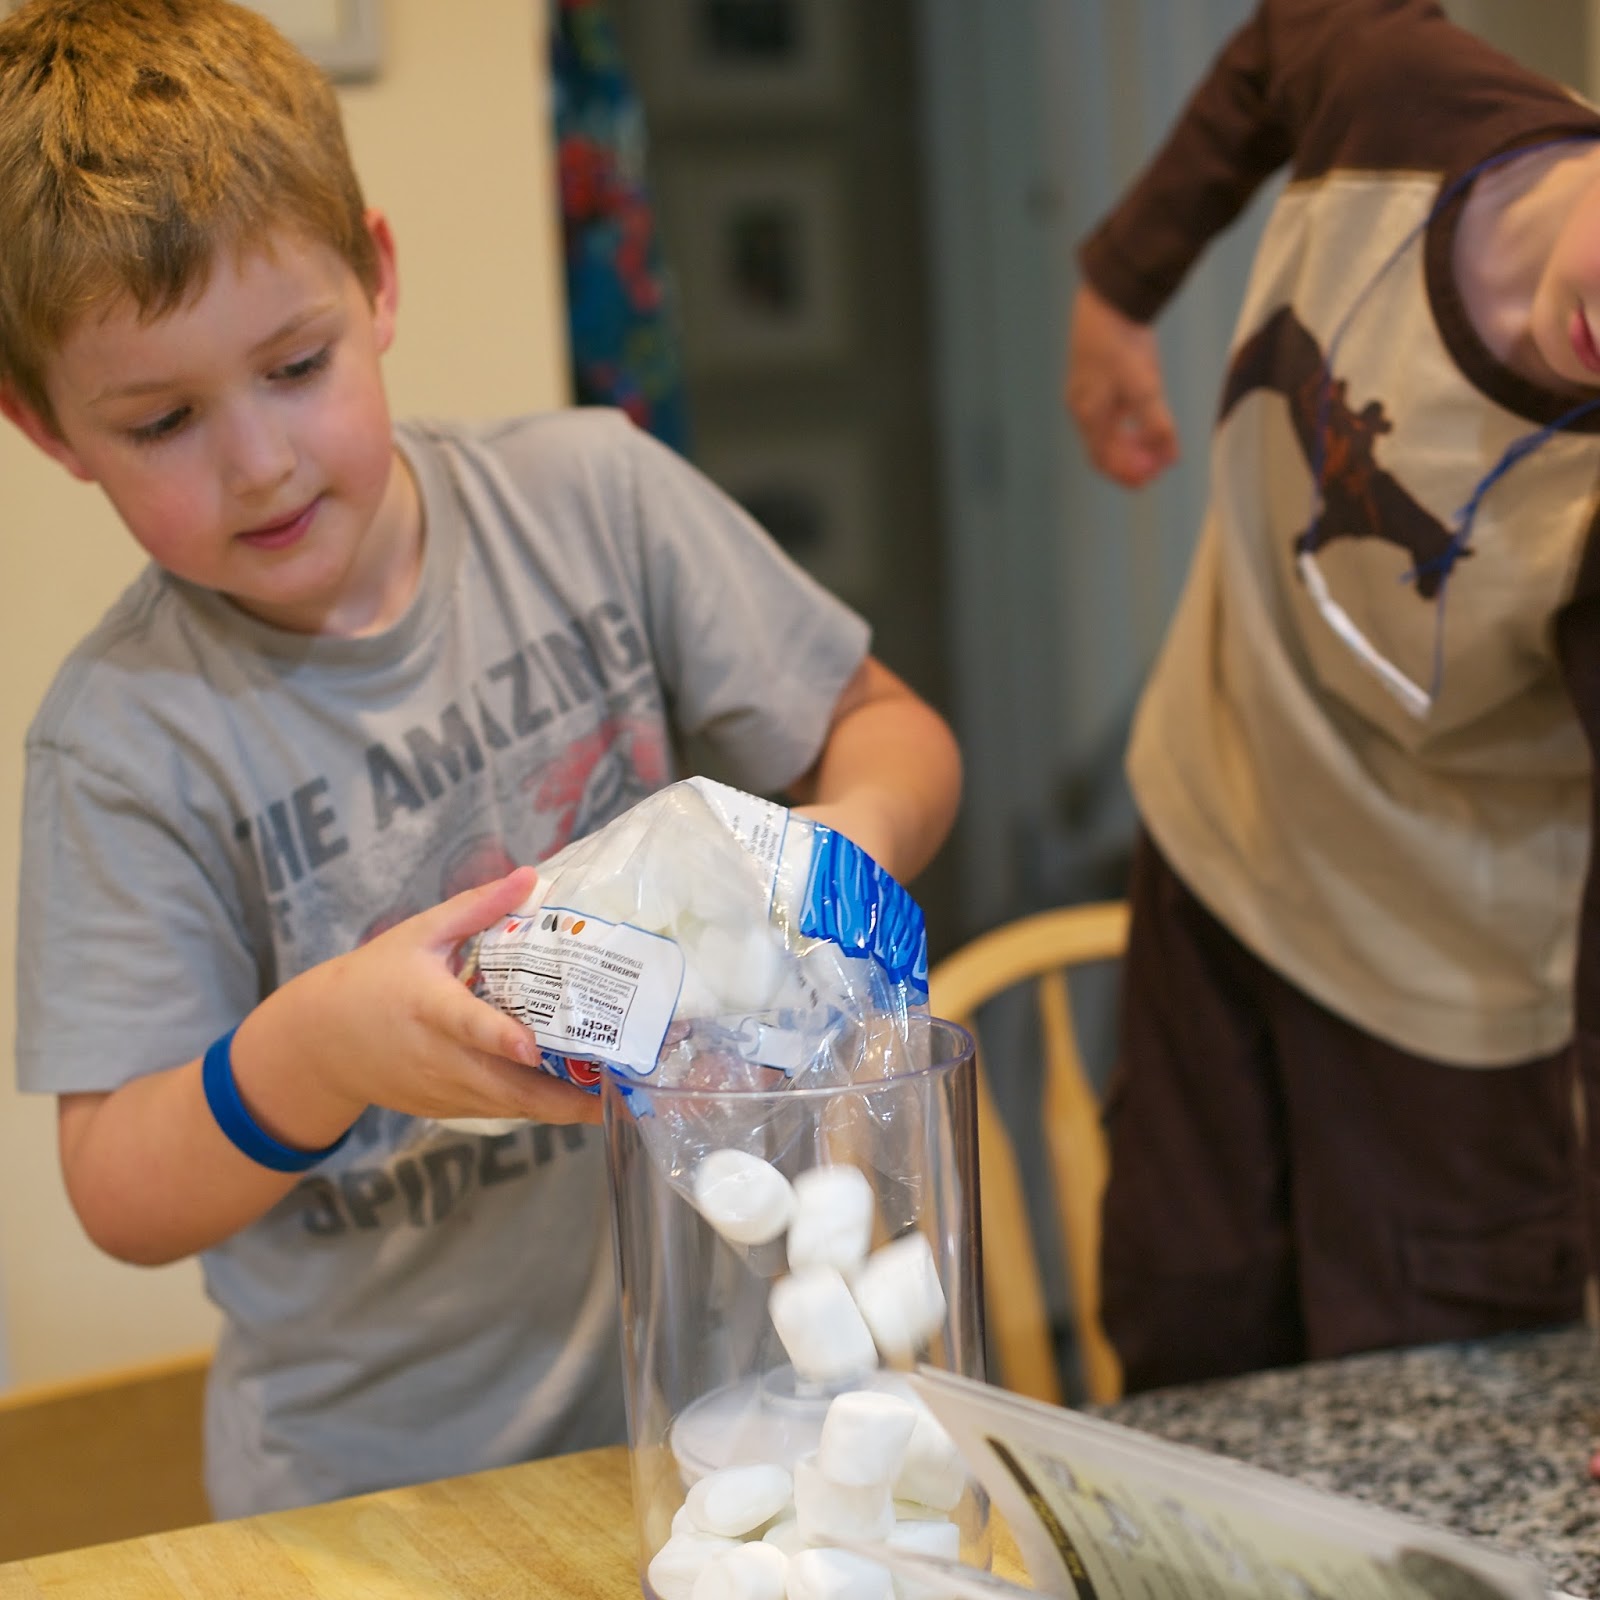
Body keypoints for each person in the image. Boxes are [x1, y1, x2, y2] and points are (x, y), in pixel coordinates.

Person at [0, 0, 962, 1516]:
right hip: (365, 1496)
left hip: (711, 1405)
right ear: (49, 429)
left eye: (297, 365)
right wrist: (314, 1053)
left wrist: (821, 860)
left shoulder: (593, 498)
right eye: (164, 419)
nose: (258, 460)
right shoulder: (127, 739)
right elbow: (118, 1186)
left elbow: (893, 732)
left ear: (376, 281)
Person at [1065, 0, 1600, 1394]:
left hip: (1445, 978)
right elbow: (1270, 51)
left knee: (1428, 1415)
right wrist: (1124, 285)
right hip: (1224, 822)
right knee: (1186, 1329)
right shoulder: (1401, 96)